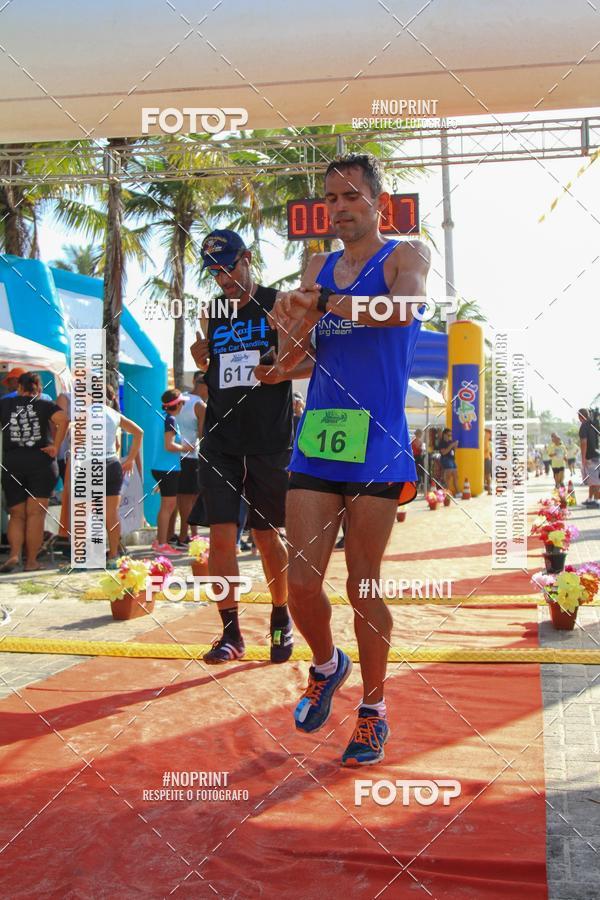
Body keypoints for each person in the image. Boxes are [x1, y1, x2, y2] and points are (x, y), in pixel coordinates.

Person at [270, 153, 430, 765]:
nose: (339, 208)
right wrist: (284, 335)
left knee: (363, 585)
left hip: (379, 443)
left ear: (377, 203)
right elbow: (302, 351)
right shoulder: (317, 265)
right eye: (331, 198)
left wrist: (325, 303)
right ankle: (326, 664)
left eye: (351, 196)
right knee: (300, 583)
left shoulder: (406, 255)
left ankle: (373, 711)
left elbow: (402, 310)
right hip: (319, 435)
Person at [189, 229, 311, 664]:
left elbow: (311, 360)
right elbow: (209, 369)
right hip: (220, 440)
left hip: (268, 439)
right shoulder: (212, 312)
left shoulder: (279, 303)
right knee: (220, 538)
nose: (223, 279)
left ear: (247, 258)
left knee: (266, 536)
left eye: (229, 268)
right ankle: (230, 635)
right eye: (214, 273)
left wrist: (282, 371)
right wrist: (199, 357)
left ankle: (281, 616)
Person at [0, 372, 68, 572]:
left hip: (13, 462)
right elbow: (63, 420)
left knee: (16, 514)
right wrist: (56, 446)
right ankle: (31, 561)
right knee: (36, 514)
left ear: (19, 388)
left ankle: (14, 555)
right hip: (41, 463)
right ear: (38, 389)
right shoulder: (44, 404)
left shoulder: (5, 404)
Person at [103, 386, 144, 566]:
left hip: (91, 464)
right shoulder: (113, 414)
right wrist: (130, 459)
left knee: (87, 512)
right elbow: (139, 432)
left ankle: (89, 556)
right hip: (111, 463)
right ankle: (113, 555)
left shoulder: (83, 415)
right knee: (111, 513)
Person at [151, 389, 194, 554]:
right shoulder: (170, 419)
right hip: (167, 468)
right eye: (181, 402)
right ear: (177, 404)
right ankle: (162, 544)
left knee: (166, 506)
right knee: (167, 507)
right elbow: (169, 445)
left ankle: (159, 541)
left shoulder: (160, 416)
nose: (183, 405)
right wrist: (186, 448)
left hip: (160, 467)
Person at [173, 372, 206, 547]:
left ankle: (192, 535)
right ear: (205, 386)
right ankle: (184, 536)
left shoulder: (180, 398)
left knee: (181, 498)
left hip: (173, 455)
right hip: (191, 456)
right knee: (189, 499)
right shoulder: (200, 405)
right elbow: (203, 435)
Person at [578, 408, 600, 508]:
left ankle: (596, 501)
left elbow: (584, 443)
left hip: (590, 456)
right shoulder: (593, 424)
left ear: (580, 416)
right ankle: (591, 499)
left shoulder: (584, 426)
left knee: (595, 481)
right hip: (597, 454)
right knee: (592, 480)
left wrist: (583, 458)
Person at [439, 427, 459, 495]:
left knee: (455, 475)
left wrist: (455, 446)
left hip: (452, 459)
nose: (449, 436)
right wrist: (451, 446)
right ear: (444, 434)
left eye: (450, 435)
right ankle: (447, 492)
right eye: (448, 435)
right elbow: (443, 452)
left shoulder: (450, 442)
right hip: (446, 459)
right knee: (448, 476)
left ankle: (457, 492)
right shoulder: (442, 442)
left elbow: (453, 451)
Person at [484, 427, 493, 494]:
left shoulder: (489, 443)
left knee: (487, 476)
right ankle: (489, 489)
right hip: (486, 459)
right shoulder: (488, 442)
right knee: (487, 476)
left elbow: (490, 452)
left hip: (486, 459)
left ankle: (489, 489)